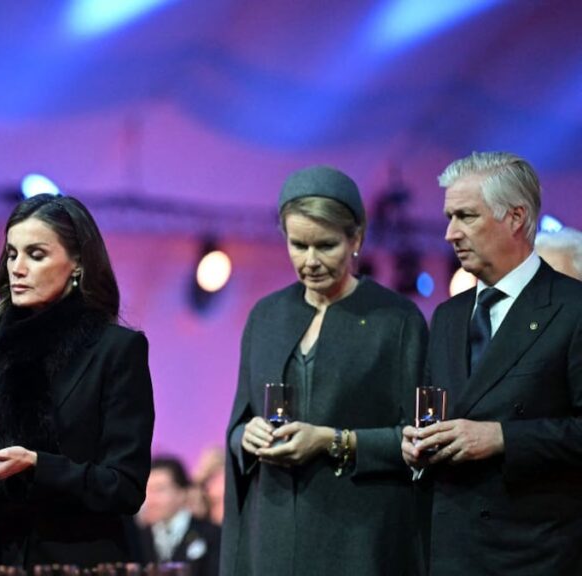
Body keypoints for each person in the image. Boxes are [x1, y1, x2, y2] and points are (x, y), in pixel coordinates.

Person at [221, 166, 428, 576]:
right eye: (298, 245)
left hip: (358, 538)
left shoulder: (397, 320)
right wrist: (247, 435)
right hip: (273, 536)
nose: (310, 261)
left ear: (356, 239)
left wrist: (332, 441)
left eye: (326, 245)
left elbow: (419, 441)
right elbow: (238, 424)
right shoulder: (266, 316)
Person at [0, 194, 155, 570]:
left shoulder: (117, 350)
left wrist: (37, 465)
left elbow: (125, 487)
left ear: (77, 265)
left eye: (36, 255)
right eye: (11, 254)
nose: (17, 268)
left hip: (80, 562)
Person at [402, 152, 582, 574]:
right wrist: (414, 444)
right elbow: (433, 414)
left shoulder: (573, 308)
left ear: (516, 217)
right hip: (451, 552)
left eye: (466, 216)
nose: (450, 233)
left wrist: (502, 437)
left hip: (537, 556)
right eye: (449, 217)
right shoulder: (447, 316)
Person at [138, 456, 220, 576]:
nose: (151, 499)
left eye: (159, 490)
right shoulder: (140, 537)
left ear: (182, 492)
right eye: (147, 490)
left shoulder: (212, 535)